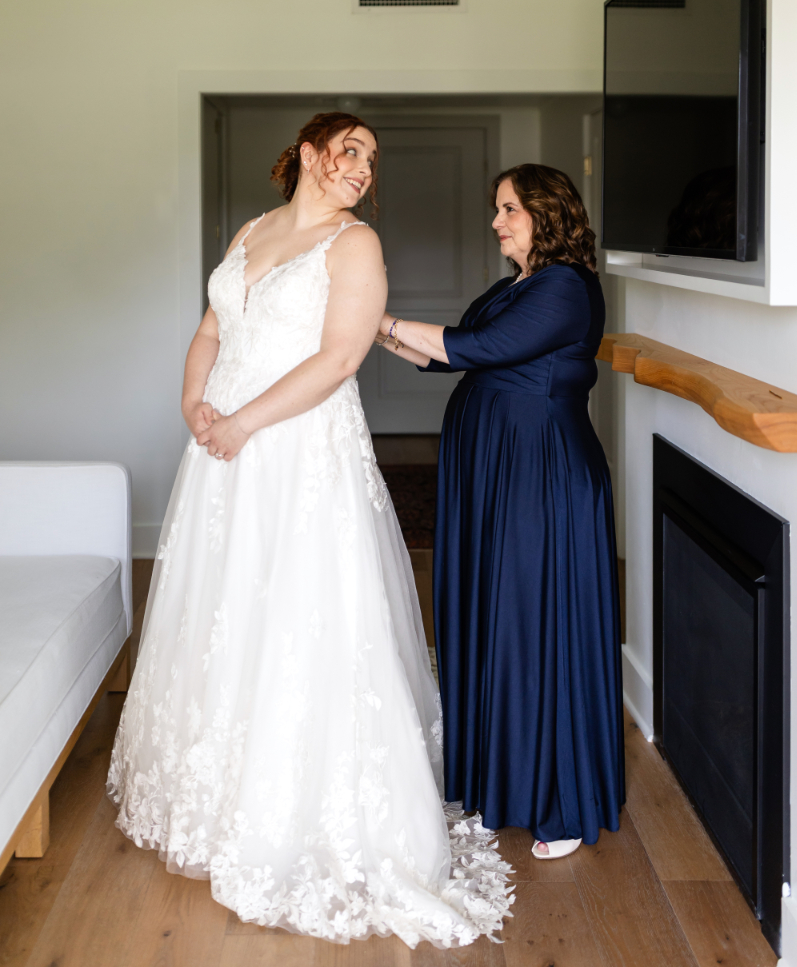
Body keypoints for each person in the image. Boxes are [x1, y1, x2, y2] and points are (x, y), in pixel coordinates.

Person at [107, 113, 513, 945]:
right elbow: (213, 330)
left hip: (296, 449)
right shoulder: (251, 231)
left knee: (301, 614)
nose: (363, 168)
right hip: (224, 451)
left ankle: (300, 813)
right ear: (306, 153)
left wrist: (244, 421)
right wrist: (196, 405)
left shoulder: (354, 244)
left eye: (372, 159)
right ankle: (218, 802)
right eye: (350, 150)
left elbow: (338, 359)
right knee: (225, 612)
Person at [375, 163, 624, 860]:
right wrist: (367, 331)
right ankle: (497, 786)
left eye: (508, 209)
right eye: (497, 209)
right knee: (493, 619)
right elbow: (446, 357)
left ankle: (558, 802)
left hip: (539, 474)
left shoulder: (567, 288)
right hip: (497, 471)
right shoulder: (517, 284)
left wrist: (379, 315)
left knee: (532, 622)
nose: (496, 222)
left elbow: (478, 349)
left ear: (547, 212)